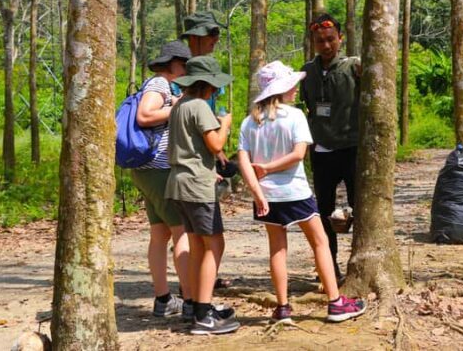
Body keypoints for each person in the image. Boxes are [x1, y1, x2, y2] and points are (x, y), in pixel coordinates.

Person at [237, 61, 367, 324]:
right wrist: (270, 168)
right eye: (291, 85)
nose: (296, 89)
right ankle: (335, 302)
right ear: (280, 89)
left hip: (267, 196)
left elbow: (244, 162)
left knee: (277, 249)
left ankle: (282, 307)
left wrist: (258, 193)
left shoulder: (249, 122)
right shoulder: (295, 116)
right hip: (295, 192)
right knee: (320, 242)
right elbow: (298, 154)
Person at [165, 56, 240, 335]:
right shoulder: (198, 106)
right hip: (197, 186)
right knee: (215, 244)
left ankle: (198, 306)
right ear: (207, 84)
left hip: (178, 183)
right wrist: (225, 123)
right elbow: (215, 144)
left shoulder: (179, 106)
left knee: (198, 245)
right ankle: (204, 314)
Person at [130, 41, 193, 319]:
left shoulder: (162, 85)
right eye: (184, 64)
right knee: (182, 232)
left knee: (159, 235)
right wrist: (177, 108)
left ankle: (163, 299)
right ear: (173, 64)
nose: (186, 69)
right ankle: (191, 300)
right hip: (160, 170)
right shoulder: (159, 84)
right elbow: (145, 116)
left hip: (148, 170)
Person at [299, 13, 360, 282]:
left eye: (331, 39)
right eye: (320, 41)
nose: (326, 45)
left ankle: (358, 265)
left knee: (359, 207)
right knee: (323, 211)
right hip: (322, 150)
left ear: (340, 38)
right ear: (313, 42)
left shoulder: (354, 67)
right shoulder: (307, 72)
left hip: (351, 147)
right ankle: (329, 268)